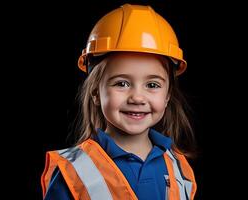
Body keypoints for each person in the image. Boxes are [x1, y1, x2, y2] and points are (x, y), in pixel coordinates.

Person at [41, 4, 197, 200]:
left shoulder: (179, 169)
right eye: (122, 83)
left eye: (152, 85)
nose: (137, 97)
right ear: (96, 93)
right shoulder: (73, 172)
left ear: (167, 96)